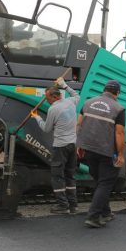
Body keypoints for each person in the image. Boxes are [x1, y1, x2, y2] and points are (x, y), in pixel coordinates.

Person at [77, 80, 125, 228]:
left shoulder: (88, 103)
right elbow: (119, 132)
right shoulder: (118, 108)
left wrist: (79, 144)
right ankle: (93, 216)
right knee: (105, 183)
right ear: (117, 93)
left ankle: (106, 212)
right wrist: (121, 154)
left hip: (88, 150)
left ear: (104, 90)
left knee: (100, 182)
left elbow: (79, 124)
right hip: (105, 151)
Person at [31, 77, 81, 214]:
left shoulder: (54, 109)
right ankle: (73, 205)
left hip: (60, 147)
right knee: (70, 175)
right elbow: (77, 95)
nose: (47, 100)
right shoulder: (71, 102)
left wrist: (36, 117)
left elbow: (46, 129)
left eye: (48, 97)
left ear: (54, 96)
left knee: (57, 176)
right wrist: (64, 85)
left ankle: (62, 205)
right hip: (72, 144)